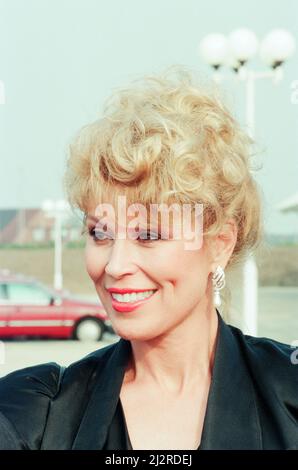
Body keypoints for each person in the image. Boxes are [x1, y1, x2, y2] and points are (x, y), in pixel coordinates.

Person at [0, 68, 297, 450]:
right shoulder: (36, 415)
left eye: (150, 234)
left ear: (220, 243)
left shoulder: (288, 396)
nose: (115, 265)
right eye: (100, 233)